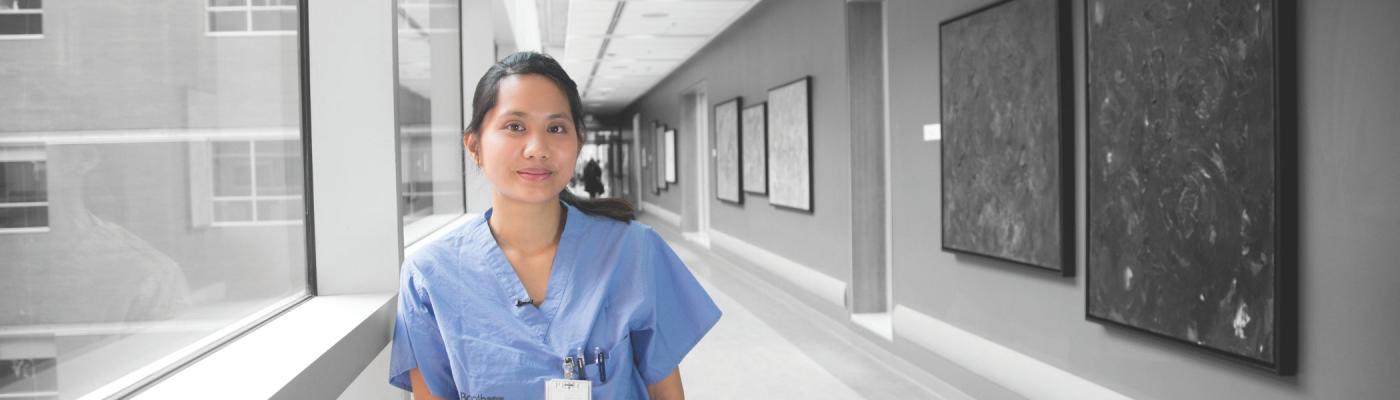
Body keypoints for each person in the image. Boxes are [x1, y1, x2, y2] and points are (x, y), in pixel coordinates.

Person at [388, 51, 722, 400]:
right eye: (515, 126)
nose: (537, 148)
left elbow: (666, 393)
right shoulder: (431, 275)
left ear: (578, 143)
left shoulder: (633, 251)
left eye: (556, 128)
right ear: (474, 146)